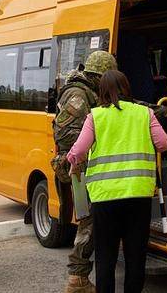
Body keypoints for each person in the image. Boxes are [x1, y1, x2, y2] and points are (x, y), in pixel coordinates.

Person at [65, 70, 167, 293]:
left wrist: (72, 161)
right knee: (135, 256)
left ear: (101, 91)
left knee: (106, 257)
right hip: (138, 196)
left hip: (105, 198)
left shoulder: (96, 116)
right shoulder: (145, 113)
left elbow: (79, 151)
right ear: (127, 88)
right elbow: (163, 144)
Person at [52, 50, 117, 293]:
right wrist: (101, 131)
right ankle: (77, 278)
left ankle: (78, 276)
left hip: (81, 165)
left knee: (90, 220)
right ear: (99, 76)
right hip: (77, 167)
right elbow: (65, 133)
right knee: (90, 222)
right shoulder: (78, 95)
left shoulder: (90, 92)